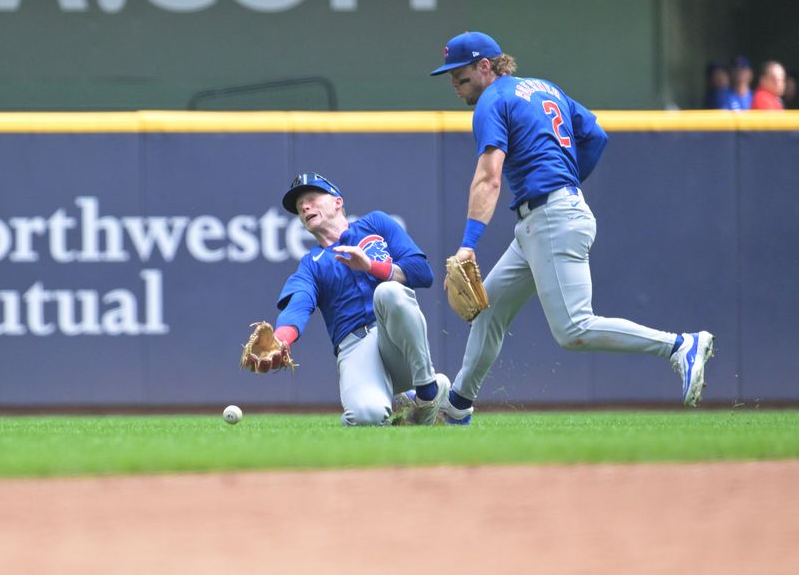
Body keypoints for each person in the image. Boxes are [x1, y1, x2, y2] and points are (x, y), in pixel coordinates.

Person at [429, 32, 715, 425]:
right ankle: (458, 406)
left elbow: (489, 178)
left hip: (551, 218)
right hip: (547, 217)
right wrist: (567, 182)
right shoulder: (544, 88)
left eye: (461, 78)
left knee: (574, 329)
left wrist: (467, 245)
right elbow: (595, 135)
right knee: (488, 312)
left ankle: (680, 345)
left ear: (485, 67)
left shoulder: (492, 102)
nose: (456, 87)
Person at [267, 172, 450, 426]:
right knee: (365, 417)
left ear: (337, 202)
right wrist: (280, 340)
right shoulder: (312, 264)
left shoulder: (376, 224)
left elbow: (423, 273)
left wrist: (370, 266)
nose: (305, 207)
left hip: (397, 340)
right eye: (300, 207)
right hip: (356, 349)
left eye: (311, 198)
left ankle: (427, 395)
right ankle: (405, 404)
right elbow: (298, 304)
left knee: (389, 291)